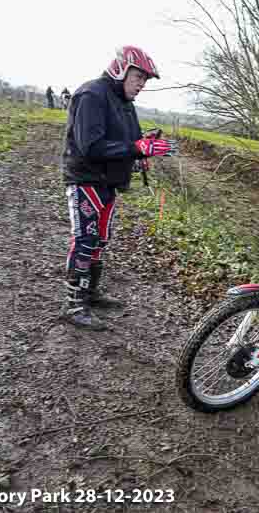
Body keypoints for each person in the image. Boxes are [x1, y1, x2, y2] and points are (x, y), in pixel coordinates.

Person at [61, 46, 178, 330]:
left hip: (109, 182)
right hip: (86, 179)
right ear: (121, 69)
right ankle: (74, 304)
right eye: (138, 77)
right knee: (85, 240)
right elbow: (90, 146)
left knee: (101, 239)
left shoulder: (125, 103)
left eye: (145, 80)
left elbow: (131, 141)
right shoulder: (91, 95)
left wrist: (143, 151)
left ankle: (90, 293)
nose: (141, 85)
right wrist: (136, 147)